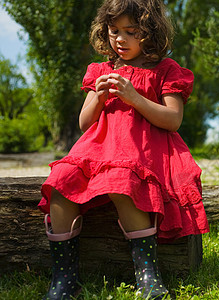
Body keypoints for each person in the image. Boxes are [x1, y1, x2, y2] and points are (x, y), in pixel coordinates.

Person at [38, 0, 209, 299]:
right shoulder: (100, 70)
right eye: (114, 30)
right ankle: (64, 279)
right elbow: (83, 122)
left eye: (131, 31)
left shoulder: (165, 69)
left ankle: (147, 275)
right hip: (97, 148)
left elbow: (173, 120)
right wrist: (99, 98)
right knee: (61, 183)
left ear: (151, 31)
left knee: (122, 181)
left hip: (141, 149)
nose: (120, 38)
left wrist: (135, 98)